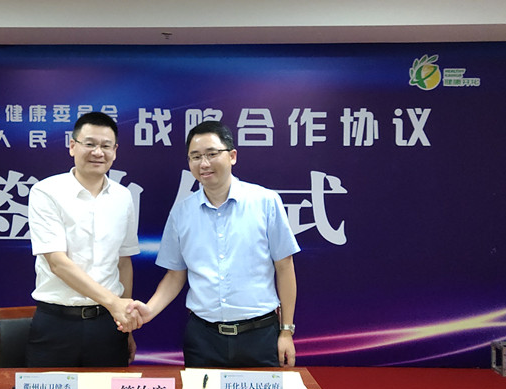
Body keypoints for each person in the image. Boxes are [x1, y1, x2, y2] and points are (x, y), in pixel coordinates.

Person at [126, 120, 300, 367]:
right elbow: (175, 275)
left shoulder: (265, 202)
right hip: (203, 338)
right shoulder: (182, 212)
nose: (204, 164)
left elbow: (284, 266)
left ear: (232, 156)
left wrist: (286, 331)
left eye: (211, 154)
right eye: (195, 157)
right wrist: (149, 311)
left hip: (260, 335)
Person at [26, 111, 142, 367]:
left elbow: (124, 262)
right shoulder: (46, 192)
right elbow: (58, 263)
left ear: (115, 151)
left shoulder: (123, 197)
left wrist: (125, 323)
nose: (98, 152)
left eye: (106, 146)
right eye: (90, 144)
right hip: (57, 323)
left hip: (108, 325)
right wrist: (114, 303)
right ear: (72, 146)